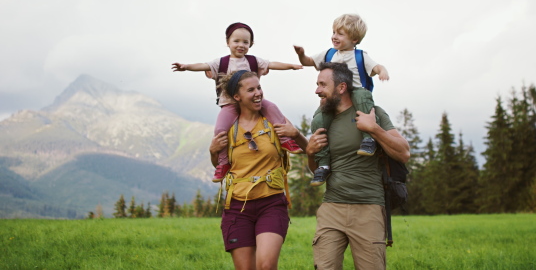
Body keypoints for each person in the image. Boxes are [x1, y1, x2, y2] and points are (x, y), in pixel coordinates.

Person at [304, 62, 410, 270]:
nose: (317, 90)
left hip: (369, 208)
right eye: (317, 84)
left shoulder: (373, 113)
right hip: (332, 208)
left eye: (323, 85)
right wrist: (310, 153)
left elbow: (403, 152)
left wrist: (374, 129)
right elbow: (316, 170)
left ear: (341, 87)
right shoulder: (324, 121)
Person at [173, 22, 303, 183]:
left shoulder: (253, 61)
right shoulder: (221, 63)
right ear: (228, 42)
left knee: (272, 108)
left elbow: (272, 64)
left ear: (251, 44)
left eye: (245, 42)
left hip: (253, 101)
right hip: (229, 104)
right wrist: (186, 67)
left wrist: (291, 66)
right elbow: (203, 65)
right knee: (220, 129)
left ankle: (285, 140)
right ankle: (223, 162)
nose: (241, 45)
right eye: (236, 41)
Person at [209, 70, 308, 270]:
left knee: (266, 266)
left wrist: (296, 134)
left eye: (259, 88)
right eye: (251, 90)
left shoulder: (274, 121)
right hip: (237, 207)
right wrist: (213, 151)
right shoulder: (229, 128)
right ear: (237, 97)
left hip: (271, 203)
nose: (258, 93)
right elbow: (219, 165)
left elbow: (309, 150)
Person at [293, 13, 390, 186]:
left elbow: (376, 66)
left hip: (356, 94)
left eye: (340, 33)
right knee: (319, 119)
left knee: (361, 96)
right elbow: (308, 61)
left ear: (354, 39)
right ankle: (323, 164)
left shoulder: (360, 56)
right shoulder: (329, 53)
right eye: (333, 32)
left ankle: (368, 140)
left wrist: (382, 71)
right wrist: (301, 54)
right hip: (335, 97)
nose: (334, 36)